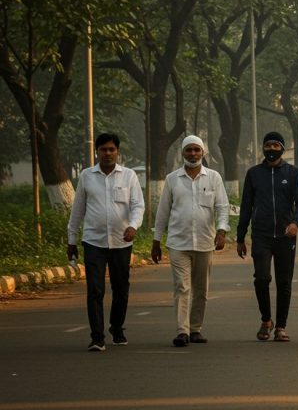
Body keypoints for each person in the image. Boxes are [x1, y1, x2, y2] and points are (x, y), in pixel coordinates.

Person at [67, 133, 144, 352]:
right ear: (97, 152)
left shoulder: (129, 176)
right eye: (103, 150)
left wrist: (133, 226)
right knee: (95, 289)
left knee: (121, 289)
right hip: (93, 242)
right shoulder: (87, 176)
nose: (108, 153)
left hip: (121, 242)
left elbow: (138, 205)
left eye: (111, 149)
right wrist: (71, 240)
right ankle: (97, 337)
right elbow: (77, 210)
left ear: (118, 152)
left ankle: (117, 328)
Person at [151, 135, 229, 347]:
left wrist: (222, 231)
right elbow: (163, 212)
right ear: (182, 152)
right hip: (178, 243)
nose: (193, 154)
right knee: (182, 286)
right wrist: (156, 241)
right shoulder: (172, 179)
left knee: (201, 290)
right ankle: (182, 331)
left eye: (196, 150)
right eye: (189, 150)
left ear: (203, 152)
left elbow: (222, 207)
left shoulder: (213, 178)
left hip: (205, 242)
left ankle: (195, 329)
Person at [237, 131, 298, 342]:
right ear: (263, 148)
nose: (271, 149)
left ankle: (281, 327)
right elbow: (246, 206)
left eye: (276, 146)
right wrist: (240, 237)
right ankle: (266, 320)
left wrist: (295, 222)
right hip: (261, 235)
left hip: (286, 236)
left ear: (282, 149)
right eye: (268, 145)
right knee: (261, 279)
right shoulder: (254, 174)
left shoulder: (292, 173)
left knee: (284, 282)